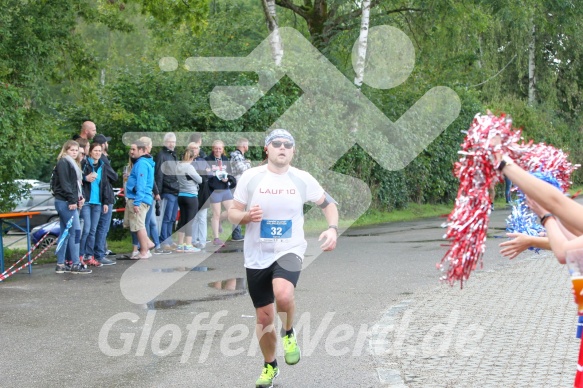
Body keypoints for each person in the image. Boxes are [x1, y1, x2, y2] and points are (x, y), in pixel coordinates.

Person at [227, 129, 338, 388]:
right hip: (256, 255)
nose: (282, 147)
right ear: (267, 148)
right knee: (264, 318)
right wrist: (245, 217)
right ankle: (270, 366)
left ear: (293, 150)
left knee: (284, 294)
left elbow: (328, 204)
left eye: (287, 144)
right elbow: (232, 212)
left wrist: (332, 228)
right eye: (276, 143)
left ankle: (289, 333)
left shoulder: (302, 178)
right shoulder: (251, 177)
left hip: (289, 248)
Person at [52, 140, 91, 274]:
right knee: (76, 231)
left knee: (65, 232)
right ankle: (75, 263)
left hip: (68, 200)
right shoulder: (64, 162)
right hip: (65, 202)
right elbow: (65, 184)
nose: (74, 153)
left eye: (76, 150)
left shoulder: (72, 163)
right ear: (66, 150)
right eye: (72, 150)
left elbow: (76, 185)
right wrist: (72, 200)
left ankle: (61, 263)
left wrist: (79, 198)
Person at [79, 142, 111, 267]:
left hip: (98, 202)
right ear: (90, 152)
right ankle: (80, 255)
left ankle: (89, 256)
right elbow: (76, 177)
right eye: (95, 150)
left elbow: (104, 185)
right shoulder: (84, 163)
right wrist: (85, 178)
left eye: (100, 151)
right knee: (86, 229)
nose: (98, 153)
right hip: (86, 201)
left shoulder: (102, 165)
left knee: (93, 230)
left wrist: (106, 201)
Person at [140, 136, 171, 255]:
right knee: (147, 222)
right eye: (150, 145)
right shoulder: (143, 161)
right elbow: (149, 179)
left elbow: (151, 179)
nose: (152, 147)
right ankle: (146, 246)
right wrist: (156, 191)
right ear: (147, 146)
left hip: (150, 194)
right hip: (145, 196)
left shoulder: (149, 160)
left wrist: (156, 192)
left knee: (152, 222)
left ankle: (156, 245)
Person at [126, 140, 155, 259]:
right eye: (131, 149)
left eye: (134, 149)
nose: (131, 152)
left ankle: (144, 251)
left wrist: (137, 202)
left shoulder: (142, 163)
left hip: (139, 199)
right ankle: (147, 243)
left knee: (139, 225)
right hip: (141, 198)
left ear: (142, 151)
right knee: (136, 224)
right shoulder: (143, 162)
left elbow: (141, 184)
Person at [92, 134, 118, 265]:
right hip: (104, 196)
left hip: (102, 197)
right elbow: (113, 176)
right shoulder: (102, 160)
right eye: (106, 143)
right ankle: (99, 254)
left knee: (98, 227)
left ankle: (97, 253)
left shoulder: (99, 160)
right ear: (102, 145)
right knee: (102, 227)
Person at [205, 139, 236, 246]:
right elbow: (207, 176)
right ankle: (216, 238)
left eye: (220, 148)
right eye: (216, 148)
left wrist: (227, 179)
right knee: (216, 214)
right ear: (212, 149)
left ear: (223, 149)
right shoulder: (207, 159)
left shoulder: (225, 159)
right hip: (215, 190)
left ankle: (219, 222)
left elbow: (230, 173)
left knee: (232, 211)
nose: (218, 150)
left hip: (225, 189)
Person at [175, 148, 203, 252]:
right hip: (191, 196)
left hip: (181, 195)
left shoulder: (178, 166)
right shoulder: (189, 167)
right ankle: (188, 245)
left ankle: (180, 244)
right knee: (190, 221)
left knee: (182, 220)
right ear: (191, 157)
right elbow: (199, 180)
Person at [155, 132, 179, 250]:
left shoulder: (174, 155)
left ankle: (169, 239)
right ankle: (164, 240)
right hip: (167, 189)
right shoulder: (161, 155)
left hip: (176, 189)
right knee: (166, 217)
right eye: (170, 141)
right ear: (165, 142)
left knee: (172, 218)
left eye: (173, 142)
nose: (172, 144)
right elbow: (159, 174)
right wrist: (157, 192)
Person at [188, 142, 210, 249]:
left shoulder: (202, 160)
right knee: (193, 217)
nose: (194, 150)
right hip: (191, 190)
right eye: (192, 148)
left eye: (196, 148)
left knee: (202, 217)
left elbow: (209, 174)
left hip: (203, 190)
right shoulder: (187, 162)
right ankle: (193, 240)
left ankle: (202, 240)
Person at [230, 137, 251, 241]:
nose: (247, 147)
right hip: (237, 185)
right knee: (238, 209)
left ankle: (237, 231)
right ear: (244, 145)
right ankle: (235, 233)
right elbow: (241, 169)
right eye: (247, 145)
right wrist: (248, 163)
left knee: (241, 209)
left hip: (241, 185)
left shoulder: (239, 156)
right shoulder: (236, 155)